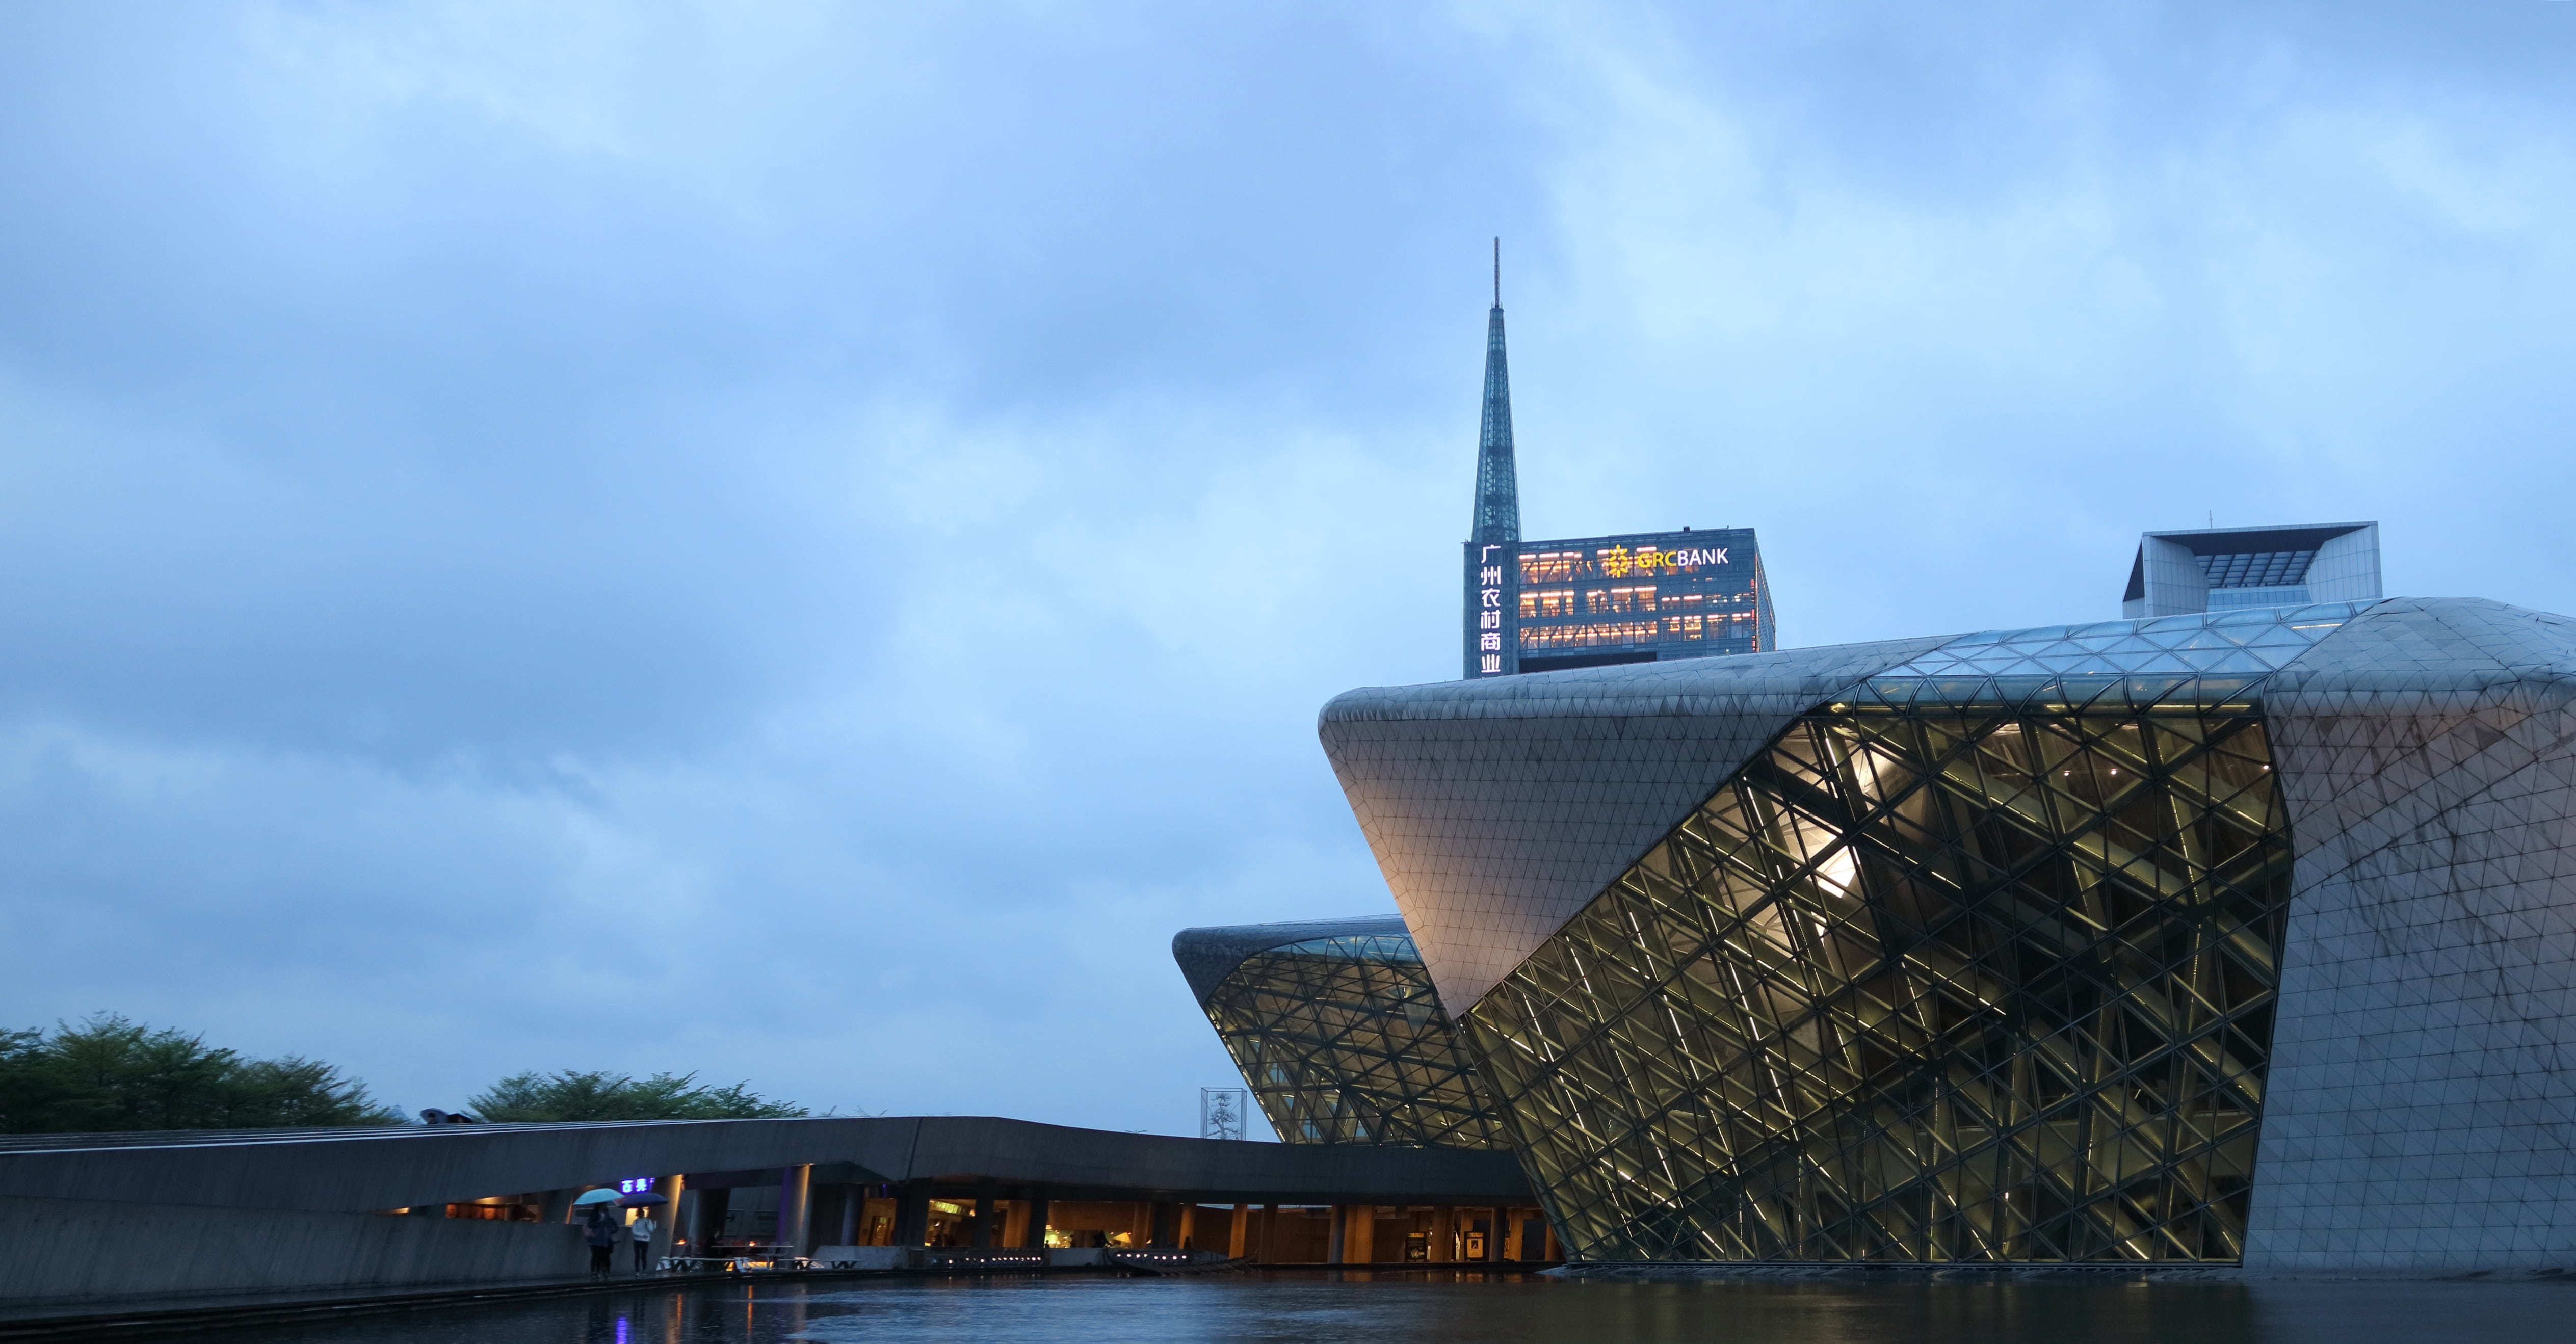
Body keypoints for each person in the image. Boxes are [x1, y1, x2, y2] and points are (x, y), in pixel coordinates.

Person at [583, 1205, 621, 1279]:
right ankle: (596, 1272)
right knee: (596, 1256)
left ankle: (602, 1271)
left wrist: (609, 1232)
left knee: (604, 1256)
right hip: (597, 1240)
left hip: (605, 1240)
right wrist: (599, 1222)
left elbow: (616, 1228)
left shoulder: (609, 1219)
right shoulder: (596, 1217)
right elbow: (590, 1225)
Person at [630, 1209, 659, 1273]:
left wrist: (647, 1225)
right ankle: (637, 1270)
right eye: (640, 1214)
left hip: (645, 1241)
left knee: (644, 1256)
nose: (641, 1215)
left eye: (642, 1213)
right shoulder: (636, 1222)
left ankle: (644, 1270)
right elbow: (634, 1232)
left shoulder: (648, 1221)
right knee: (637, 1256)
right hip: (637, 1240)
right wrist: (642, 1235)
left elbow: (651, 1230)